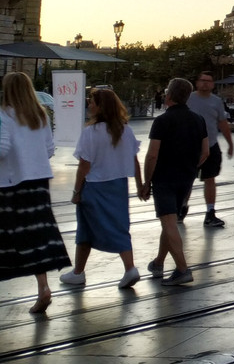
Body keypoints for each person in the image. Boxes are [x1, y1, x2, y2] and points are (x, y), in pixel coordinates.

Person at [0, 71, 71, 313]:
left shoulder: (3, 115)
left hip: (11, 184)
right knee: (37, 234)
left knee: (9, 237)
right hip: (39, 182)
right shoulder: (40, 115)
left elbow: (2, 148)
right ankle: (43, 287)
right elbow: (50, 149)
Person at [60, 88, 143, 289]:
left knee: (86, 228)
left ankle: (82, 272)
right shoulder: (126, 130)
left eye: (92, 102)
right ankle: (124, 268)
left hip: (95, 188)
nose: (89, 105)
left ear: (100, 107)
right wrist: (140, 186)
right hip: (119, 186)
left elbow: (84, 166)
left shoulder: (90, 133)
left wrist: (76, 192)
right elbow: (134, 160)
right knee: (119, 226)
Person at [140, 78, 208, 285]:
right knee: (168, 222)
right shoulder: (198, 119)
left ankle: (182, 269)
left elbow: (152, 155)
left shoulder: (162, 121)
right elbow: (205, 152)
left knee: (169, 222)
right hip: (186, 178)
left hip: (164, 178)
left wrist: (146, 182)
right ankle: (159, 262)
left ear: (168, 95)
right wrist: (190, 168)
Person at [182, 71, 233, 228]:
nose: (205, 83)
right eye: (202, 80)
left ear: (212, 85)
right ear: (197, 83)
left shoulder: (216, 101)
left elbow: (222, 123)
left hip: (210, 146)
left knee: (210, 179)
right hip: (189, 146)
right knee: (187, 179)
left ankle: (210, 213)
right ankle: (182, 207)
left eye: (208, 81)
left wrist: (230, 143)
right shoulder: (187, 99)